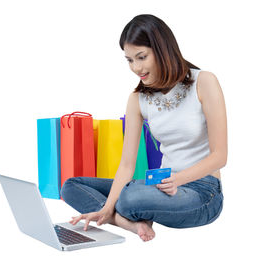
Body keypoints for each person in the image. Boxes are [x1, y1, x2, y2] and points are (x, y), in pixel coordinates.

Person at [60, 14, 227, 242]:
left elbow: (220, 157)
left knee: (131, 197)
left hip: (202, 193)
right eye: (129, 60)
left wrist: (177, 180)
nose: (136, 68)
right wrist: (107, 208)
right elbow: (127, 165)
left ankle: (129, 212)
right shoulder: (137, 99)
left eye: (141, 57)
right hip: (159, 185)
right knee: (71, 186)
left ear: (162, 50)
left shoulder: (204, 81)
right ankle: (127, 222)